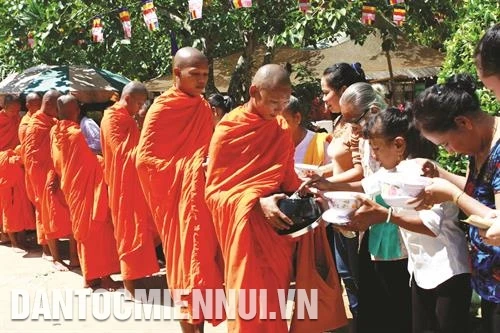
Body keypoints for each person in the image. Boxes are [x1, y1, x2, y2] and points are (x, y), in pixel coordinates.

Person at [205, 64, 347, 332]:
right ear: (254, 92)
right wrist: (257, 202)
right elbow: (215, 192)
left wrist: (305, 193)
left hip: (276, 232)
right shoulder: (229, 130)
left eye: (284, 102)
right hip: (245, 229)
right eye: (273, 102)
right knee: (248, 303)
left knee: (273, 302)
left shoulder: (281, 127)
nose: (279, 109)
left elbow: (285, 178)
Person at [349, 106, 472, 333]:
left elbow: (430, 226)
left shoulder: (422, 171)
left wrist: (385, 215)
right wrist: (323, 185)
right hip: (419, 270)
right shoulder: (394, 171)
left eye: (376, 148)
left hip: (447, 270)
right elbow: (364, 187)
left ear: (398, 144)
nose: (373, 156)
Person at [136, 47, 224, 333]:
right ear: (177, 74)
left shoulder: (202, 107)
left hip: (201, 199)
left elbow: (207, 146)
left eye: (205, 75)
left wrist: (207, 163)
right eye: (195, 74)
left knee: (205, 263)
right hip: (178, 201)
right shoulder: (162, 108)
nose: (201, 80)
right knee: (187, 267)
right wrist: (191, 166)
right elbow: (146, 160)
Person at [412, 74, 500, 333]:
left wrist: (452, 194)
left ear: (464, 122)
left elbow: (497, 222)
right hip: (489, 280)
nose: (449, 151)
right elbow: (482, 191)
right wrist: (440, 173)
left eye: (446, 143)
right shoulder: (480, 144)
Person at [50, 95, 120, 289]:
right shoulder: (74, 133)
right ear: (77, 111)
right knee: (97, 232)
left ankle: (89, 277)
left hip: (71, 187)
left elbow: (57, 162)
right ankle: (104, 276)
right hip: (87, 187)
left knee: (83, 232)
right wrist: (105, 162)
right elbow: (90, 163)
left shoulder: (54, 132)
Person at [100, 81, 159, 297]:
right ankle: (129, 285)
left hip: (134, 183)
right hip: (122, 185)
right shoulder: (112, 118)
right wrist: (149, 152)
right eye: (140, 103)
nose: (140, 108)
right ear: (129, 99)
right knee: (128, 230)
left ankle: (138, 275)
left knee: (144, 228)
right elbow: (120, 154)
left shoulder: (127, 118)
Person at [22, 90, 76, 271]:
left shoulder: (52, 123)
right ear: (51, 104)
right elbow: (32, 159)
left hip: (58, 175)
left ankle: (73, 256)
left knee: (68, 215)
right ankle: (52, 255)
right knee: (47, 214)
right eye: (58, 107)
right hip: (43, 179)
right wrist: (46, 179)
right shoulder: (34, 125)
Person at [0, 95, 35, 251]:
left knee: (21, 202)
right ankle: (9, 237)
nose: (15, 114)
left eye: (17, 110)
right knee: (7, 202)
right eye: (12, 110)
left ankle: (20, 238)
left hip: (17, 163)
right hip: (3, 164)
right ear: (4, 107)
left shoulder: (17, 120)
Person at [281, 95, 329, 165]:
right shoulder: (270, 147)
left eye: (283, 122)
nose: (277, 128)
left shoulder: (322, 144)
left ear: (297, 118)